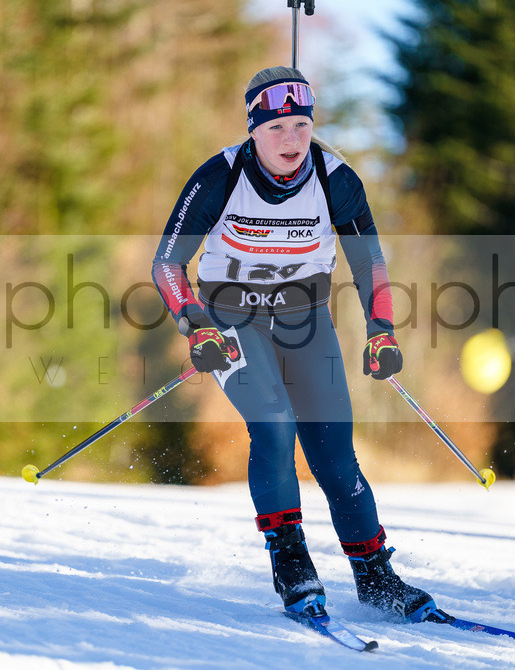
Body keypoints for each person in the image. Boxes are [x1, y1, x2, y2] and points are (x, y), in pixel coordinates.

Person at [151, 66, 436, 622]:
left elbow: (370, 266)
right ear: (254, 129)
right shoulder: (220, 176)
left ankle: (375, 574)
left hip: (307, 322)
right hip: (233, 321)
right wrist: (194, 321)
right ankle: (291, 560)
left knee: (335, 454)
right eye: (278, 126)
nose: (292, 139)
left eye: (302, 125)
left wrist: (382, 331)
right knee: (275, 426)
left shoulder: (336, 179)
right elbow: (167, 262)